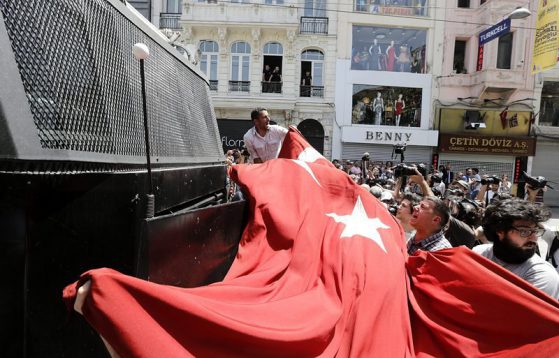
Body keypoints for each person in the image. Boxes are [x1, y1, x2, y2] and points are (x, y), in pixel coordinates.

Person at [473, 198, 559, 299]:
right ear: (500, 231)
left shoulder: (542, 275)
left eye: (535, 231)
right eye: (524, 231)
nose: (534, 238)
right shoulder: (477, 255)